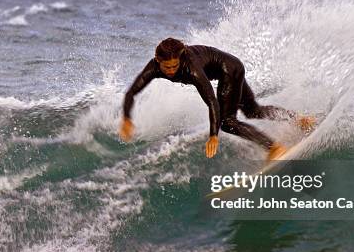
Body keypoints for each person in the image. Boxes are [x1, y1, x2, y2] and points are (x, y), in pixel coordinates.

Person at [118, 37, 315, 161]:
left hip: (229, 70)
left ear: (181, 58)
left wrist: (213, 135)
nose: (170, 72)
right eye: (166, 67)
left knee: (228, 123)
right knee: (253, 110)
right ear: (157, 60)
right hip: (231, 68)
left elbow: (211, 100)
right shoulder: (153, 68)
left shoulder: (192, 68)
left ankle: (275, 148)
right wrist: (126, 118)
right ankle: (299, 119)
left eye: (174, 66)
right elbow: (131, 92)